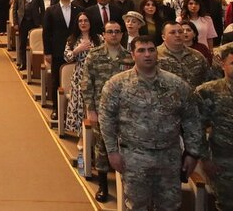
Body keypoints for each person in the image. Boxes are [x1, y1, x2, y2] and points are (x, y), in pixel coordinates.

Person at [99, 36, 203, 211]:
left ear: (157, 53)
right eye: (141, 50)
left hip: (168, 157)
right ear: (133, 55)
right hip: (134, 156)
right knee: (137, 205)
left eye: (151, 50)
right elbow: (106, 119)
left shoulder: (176, 84)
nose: (147, 55)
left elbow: (192, 119)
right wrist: (112, 152)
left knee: (170, 206)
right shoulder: (117, 85)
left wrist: (192, 153)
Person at [79, 20, 132, 202]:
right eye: (110, 31)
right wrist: (90, 110)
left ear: (122, 34)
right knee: (102, 148)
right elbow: (86, 84)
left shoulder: (129, 57)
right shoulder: (94, 55)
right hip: (101, 110)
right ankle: (103, 185)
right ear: (104, 34)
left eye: (117, 31)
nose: (114, 35)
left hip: (125, 111)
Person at [195, 43, 233, 211]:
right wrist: (205, 159)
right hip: (224, 162)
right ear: (223, 64)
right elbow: (197, 128)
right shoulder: (209, 91)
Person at [43, 0, 82, 121]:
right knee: (56, 80)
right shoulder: (51, 10)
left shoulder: (79, 10)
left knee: (75, 80)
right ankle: (56, 109)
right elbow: (46, 33)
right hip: (57, 51)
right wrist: (47, 52)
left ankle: (74, 110)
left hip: (75, 50)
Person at [64, 12, 101, 135]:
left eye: (86, 20)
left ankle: (95, 134)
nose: (83, 23)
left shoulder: (99, 38)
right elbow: (67, 58)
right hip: (80, 74)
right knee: (80, 103)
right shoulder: (73, 39)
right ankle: (81, 134)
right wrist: (77, 50)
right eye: (80, 21)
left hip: (96, 75)